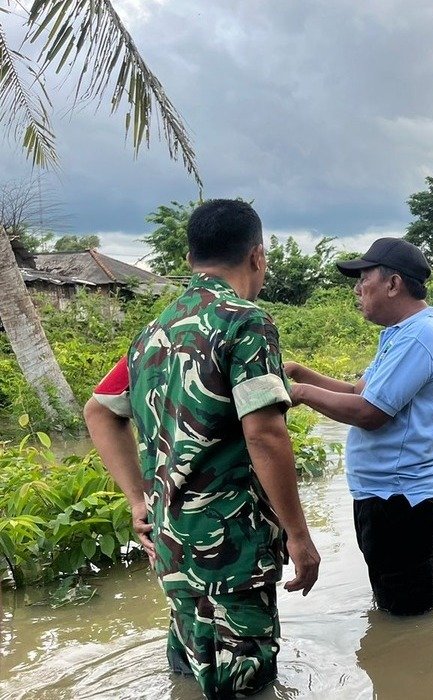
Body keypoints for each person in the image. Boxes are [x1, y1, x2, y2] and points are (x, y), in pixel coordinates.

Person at [83, 199, 320, 699]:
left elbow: (99, 411)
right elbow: (265, 434)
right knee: (247, 685)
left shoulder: (153, 333)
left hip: (171, 546)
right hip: (232, 548)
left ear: (190, 258)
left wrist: (137, 499)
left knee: (190, 674)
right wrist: (299, 537)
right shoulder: (245, 322)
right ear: (257, 256)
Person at [285, 238, 433, 616]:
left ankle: (415, 655)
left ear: (393, 284)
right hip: (389, 498)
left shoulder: (420, 337)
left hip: (402, 502)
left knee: (408, 616)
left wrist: (300, 393)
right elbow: (357, 392)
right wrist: (299, 372)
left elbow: (369, 414)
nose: (357, 290)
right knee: (395, 603)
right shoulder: (401, 334)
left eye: (364, 279)